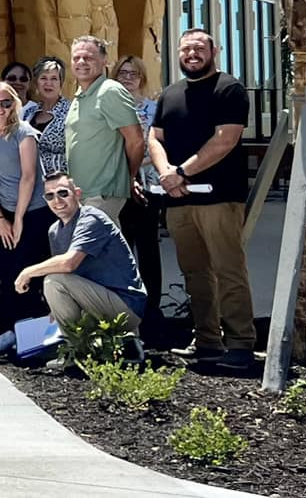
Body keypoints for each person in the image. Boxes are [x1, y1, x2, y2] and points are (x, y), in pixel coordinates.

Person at [149, 28, 254, 371]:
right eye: (185, 49)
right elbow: (155, 137)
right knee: (195, 273)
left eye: (198, 48)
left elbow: (225, 140)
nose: (192, 54)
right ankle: (208, 340)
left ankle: (240, 344)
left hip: (219, 197)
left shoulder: (230, 89)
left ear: (214, 50)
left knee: (228, 269)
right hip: (178, 200)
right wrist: (167, 172)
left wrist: (182, 171)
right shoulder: (170, 94)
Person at [15, 172, 148, 368]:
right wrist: (56, 311)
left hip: (125, 307)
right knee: (55, 282)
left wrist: (27, 272)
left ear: (77, 193)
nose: (57, 200)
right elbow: (67, 273)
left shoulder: (91, 219)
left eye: (63, 193)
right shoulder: (55, 230)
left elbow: (68, 264)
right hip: (96, 303)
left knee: (53, 280)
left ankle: (77, 353)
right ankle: (97, 349)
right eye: (50, 196)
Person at [0, 79, 50, 355]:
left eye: (6, 102)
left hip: (34, 212)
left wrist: (18, 219)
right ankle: (11, 329)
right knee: (5, 272)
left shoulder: (24, 132)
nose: (0, 107)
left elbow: (29, 177)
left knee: (28, 272)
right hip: (5, 211)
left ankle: (33, 336)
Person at [63, 36, 143, 222]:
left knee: (86, 249)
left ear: (105, 61)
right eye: (76, 58)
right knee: (107, 249)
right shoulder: (79, 96)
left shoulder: (110, 91)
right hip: (82, 194)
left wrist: (128, 177)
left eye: (88, 58)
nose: (81, 62)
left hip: (102, 194)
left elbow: (136, 140)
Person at [113, 53, 166, 321]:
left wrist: (132, 165)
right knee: (120, 248)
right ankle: (124, 306)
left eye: (133, 74)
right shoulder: (108, 109)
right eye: (123, 73)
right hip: (115, 185)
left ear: (142, 78)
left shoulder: (153, 109)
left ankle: (151, 308)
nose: (128, 78)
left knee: (147, 246)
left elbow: (157, 146)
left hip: (146, 185)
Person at [24, 57, 68, 176]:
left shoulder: (70, 112)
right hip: (32, 182)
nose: (48, 83)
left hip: (60, 184)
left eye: (54, 79)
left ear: (61, 83)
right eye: (43, 78)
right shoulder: (29, 113)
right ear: (36, 83)